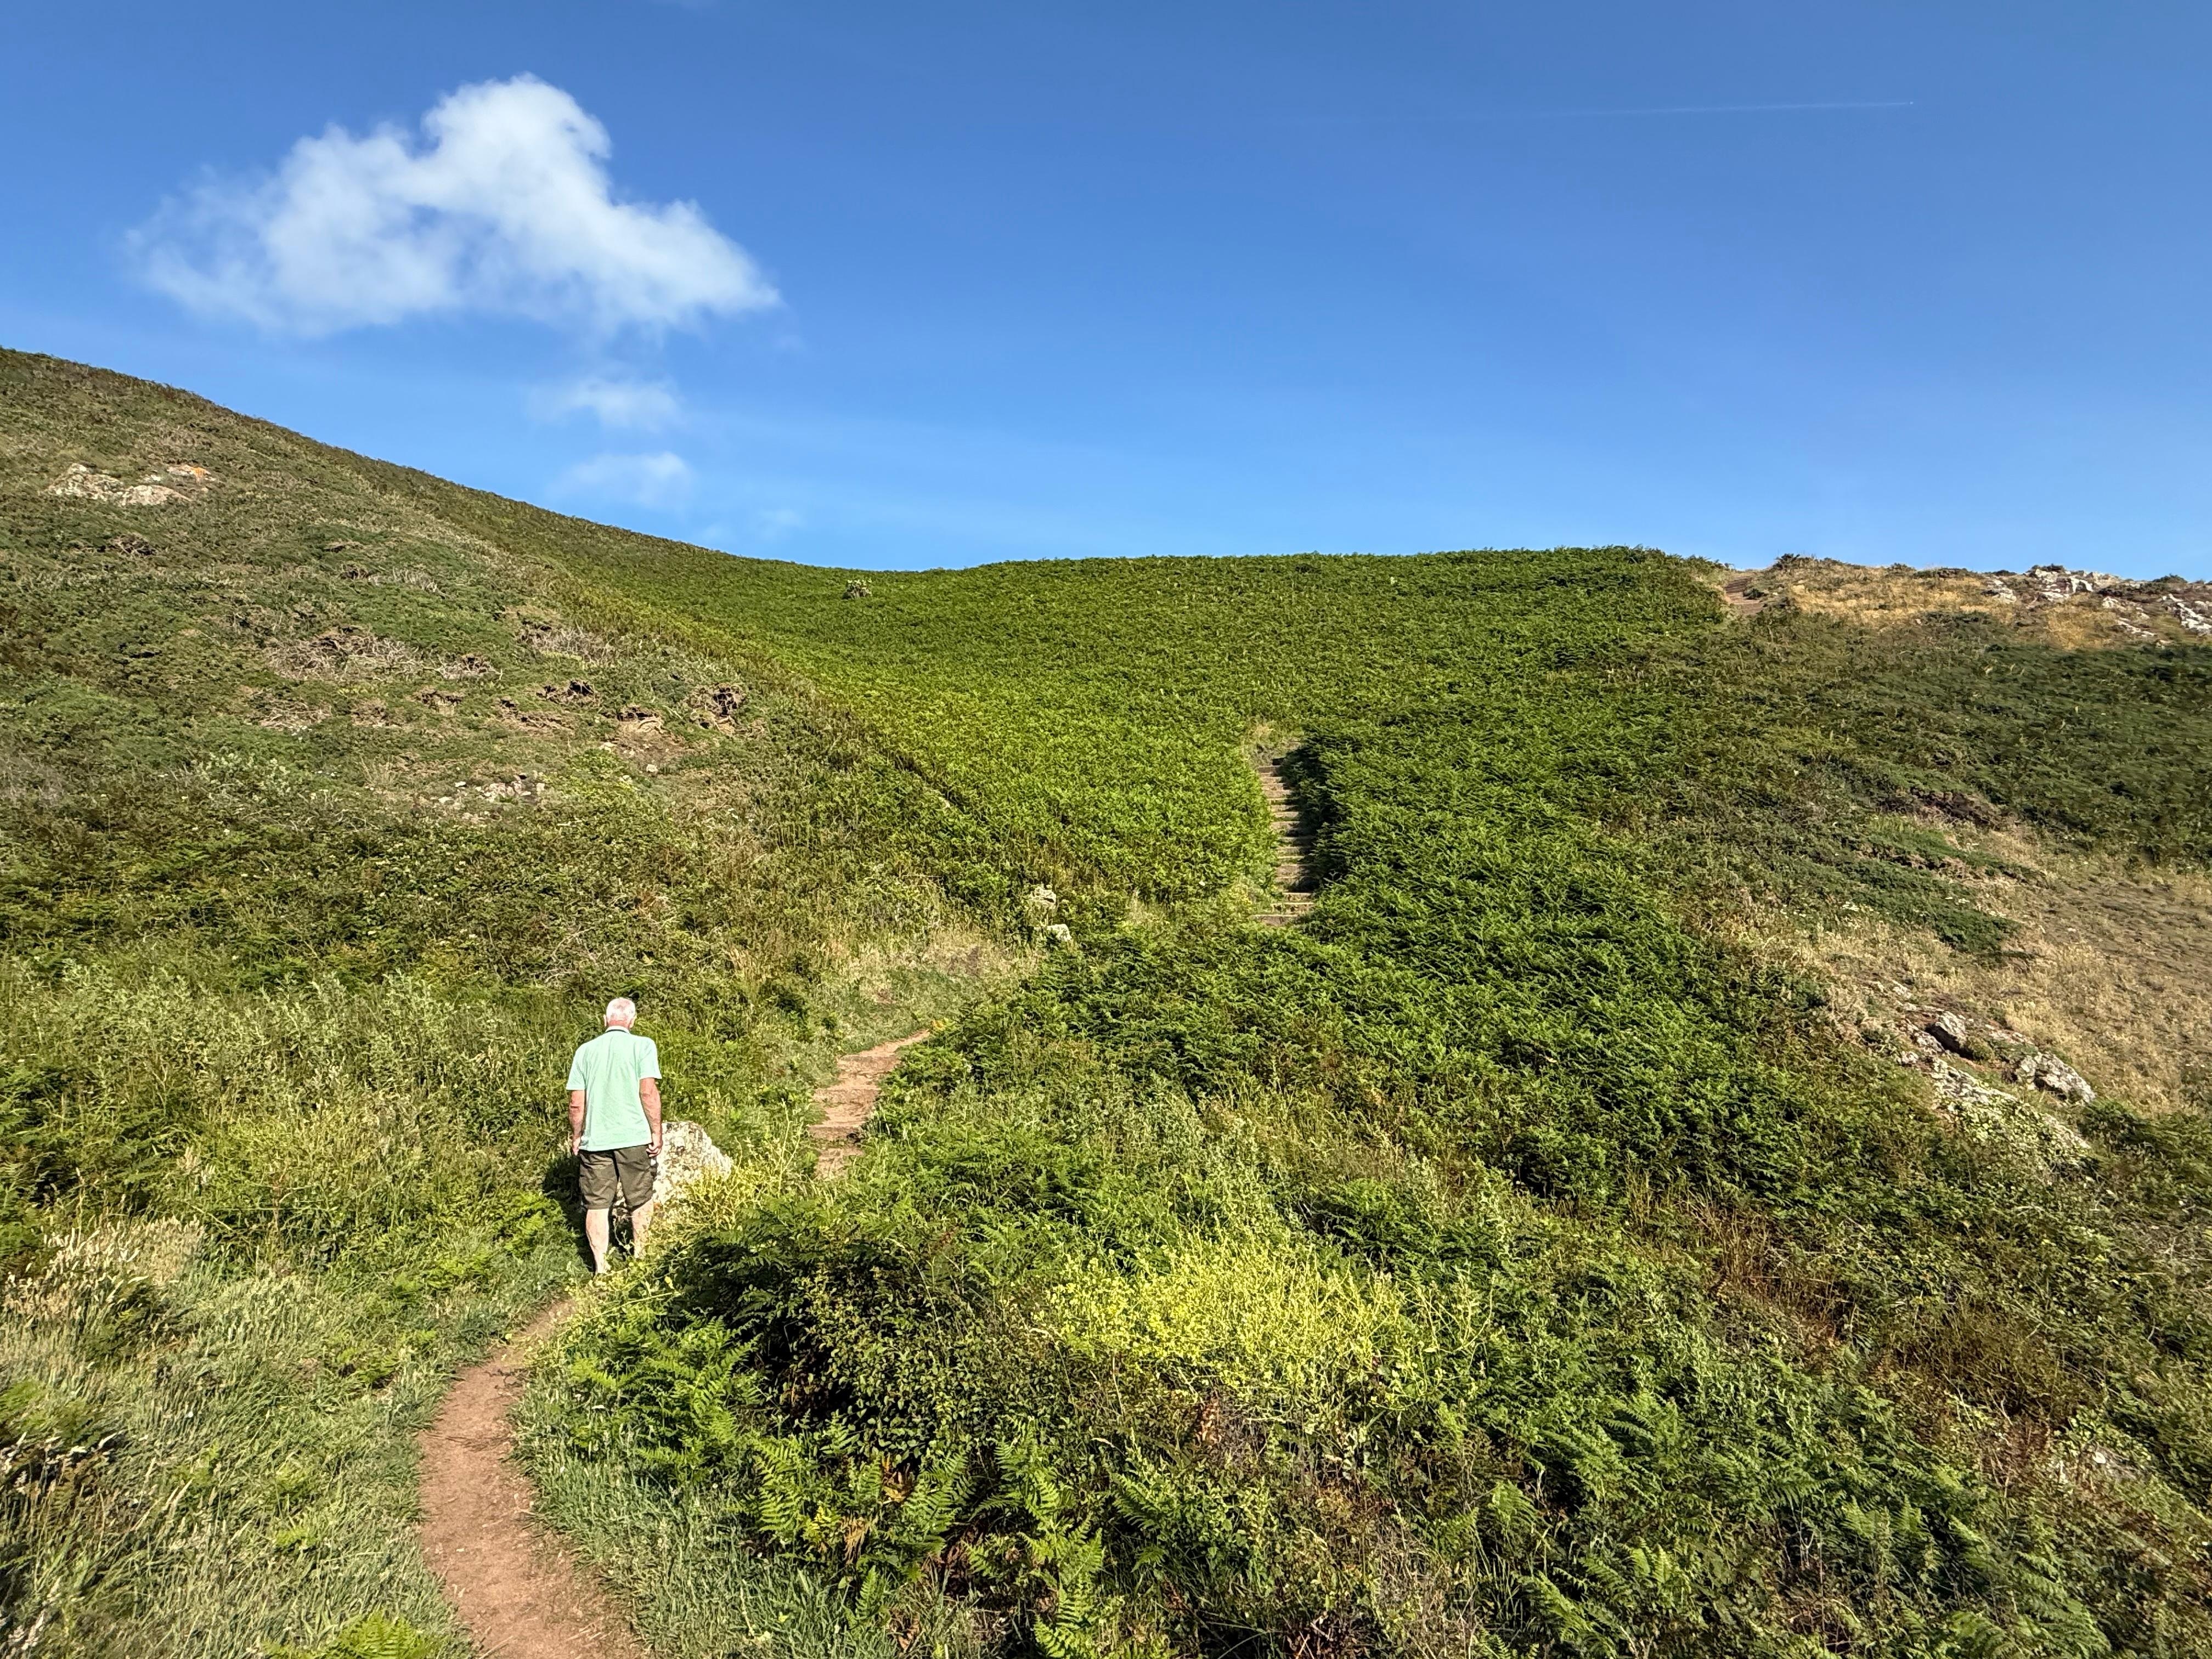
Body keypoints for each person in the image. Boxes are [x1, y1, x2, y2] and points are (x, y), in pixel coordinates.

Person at [566, 996, 664, 1273]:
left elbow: (576, 1102)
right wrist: (656, 1130)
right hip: (633, 1137)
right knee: (640, 1199)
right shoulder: (643, 1045)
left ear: (605, 1020)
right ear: (632, 1021)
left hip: (596, 1140)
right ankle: (642, 1260)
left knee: (597, 1204)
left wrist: (577, 1136)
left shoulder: (585, 1051)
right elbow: (648, 1092)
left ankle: (601, 1268)